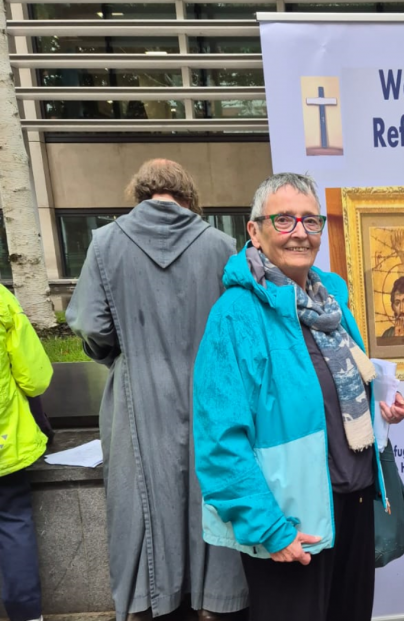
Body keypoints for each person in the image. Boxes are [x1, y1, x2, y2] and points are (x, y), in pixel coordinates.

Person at [192, 173, 404, 621]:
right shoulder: (235, 315)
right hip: (292, 522)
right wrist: (270, 530)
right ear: (254, 231)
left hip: (352, 503)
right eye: (285, 219)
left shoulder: (331, 303)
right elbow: (219, 442)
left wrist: (380, 409)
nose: (300, 233)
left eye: (311, 221)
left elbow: (333, 396)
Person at [66, 159, 247, 621]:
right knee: (213, 496)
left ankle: (155, 603)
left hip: (135, 403)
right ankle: (214, 600)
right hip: (211, 399)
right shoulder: (222, 246)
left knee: (141, 508)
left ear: (140, 193)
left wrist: (122, 355)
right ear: (188, 196)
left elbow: (89, 323)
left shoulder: (105, 243)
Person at [0, 285, 53, 621]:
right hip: (5, 444)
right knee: (13, 522)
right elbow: (35, 378)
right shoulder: (2, 301)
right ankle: (27, 616)